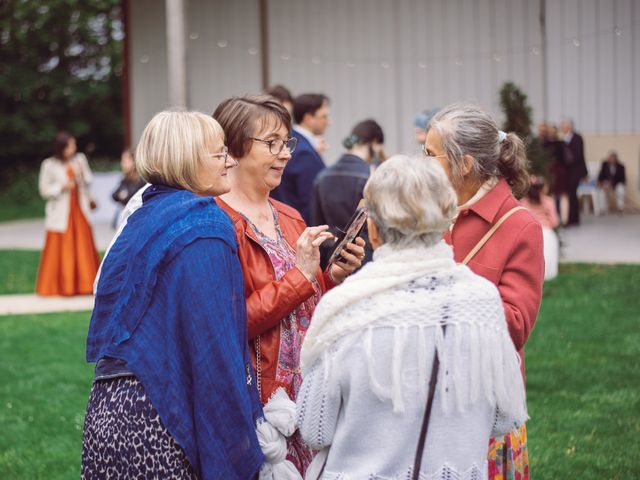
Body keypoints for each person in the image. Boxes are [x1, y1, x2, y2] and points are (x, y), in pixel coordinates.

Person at [297, 155, 528, 479]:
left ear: (374, 231)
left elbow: (314, 429)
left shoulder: (346, 307)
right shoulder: (484, 302)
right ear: (447, 220)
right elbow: (505, 417)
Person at [82, 111, 264, 479]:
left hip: (106, 415)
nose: (230, 161)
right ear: (189, 160)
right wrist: (236, 451)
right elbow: (214, 351)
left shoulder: (143, 219)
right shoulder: (204, 226)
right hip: (162, 421)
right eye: (219, 154)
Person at [212, 94, 364, 476]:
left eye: (286, 143)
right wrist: (300, 277)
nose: (285, 154)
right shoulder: (217, 223)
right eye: (272, 144)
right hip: (261, 405)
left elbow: (305, 307)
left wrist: (332, 278)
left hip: (309, 397)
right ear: (234, 148)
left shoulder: (290, 215)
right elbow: (232, 322)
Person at [425, 102, 544, 480]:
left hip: (483, 404)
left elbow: (516, 326)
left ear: (465, 165)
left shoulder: (520, 226)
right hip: (427, 393)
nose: (422, 164)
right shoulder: (431, 211)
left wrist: (448, 285)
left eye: (431, 155)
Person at [312, 119, 385, 266]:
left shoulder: (322, 176)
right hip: (363, 257)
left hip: (331, 260)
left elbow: (317, 225)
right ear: (374, 142)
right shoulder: (371, 176)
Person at [36, 131, 100, 296]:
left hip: (79, 209)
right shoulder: (49, 165)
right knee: (62, 248)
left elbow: (89, 180)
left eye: (74, 145)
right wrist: (62, 187)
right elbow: (44, 190)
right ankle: (63, 287)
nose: (74, 148)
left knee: (83, 246)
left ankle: (85, 285)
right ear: (62, 148)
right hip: (61, 212)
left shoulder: (80, 160)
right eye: (71, 145)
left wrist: (81, 174)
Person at [271, 93, 330, 223]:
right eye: (324, 116)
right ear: (308, 118)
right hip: (299, 227)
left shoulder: (298, 143)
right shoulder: (304, 152)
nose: (328, 121)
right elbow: (311, 203)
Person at [520, 175, 559, 280]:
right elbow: (554, 222)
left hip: (529, 233)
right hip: (546, 234)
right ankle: (548, 276)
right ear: (543, 188)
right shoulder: (548, 201)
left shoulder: (523, 202)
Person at [560, 118, 588, 225]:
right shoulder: (565, 138)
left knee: (572, 193)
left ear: (568, 126)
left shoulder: (577, 137)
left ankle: (574, 218)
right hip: (568, 171)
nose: (561, 127)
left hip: (575, 171)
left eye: (563, 125)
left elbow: (579, 155)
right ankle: (570, 217)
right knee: (570, 194)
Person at [543, 123, 571, 226]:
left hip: (551, 171)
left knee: (552, 195)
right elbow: (567, 159)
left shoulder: (545, 144)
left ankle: (554, 219)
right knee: (564, 195)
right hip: (562, 171)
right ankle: (564, 220)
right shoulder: (561, 143)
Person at [111, 148, 146, 227]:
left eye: (125, 161)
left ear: (133, 162)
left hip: (134, 219)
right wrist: (121, 195)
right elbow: (114, 195)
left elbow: (134, 198)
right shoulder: (125, 179)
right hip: (124, 216)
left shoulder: (140, 181)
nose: (122, 164)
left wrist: (125, 196)